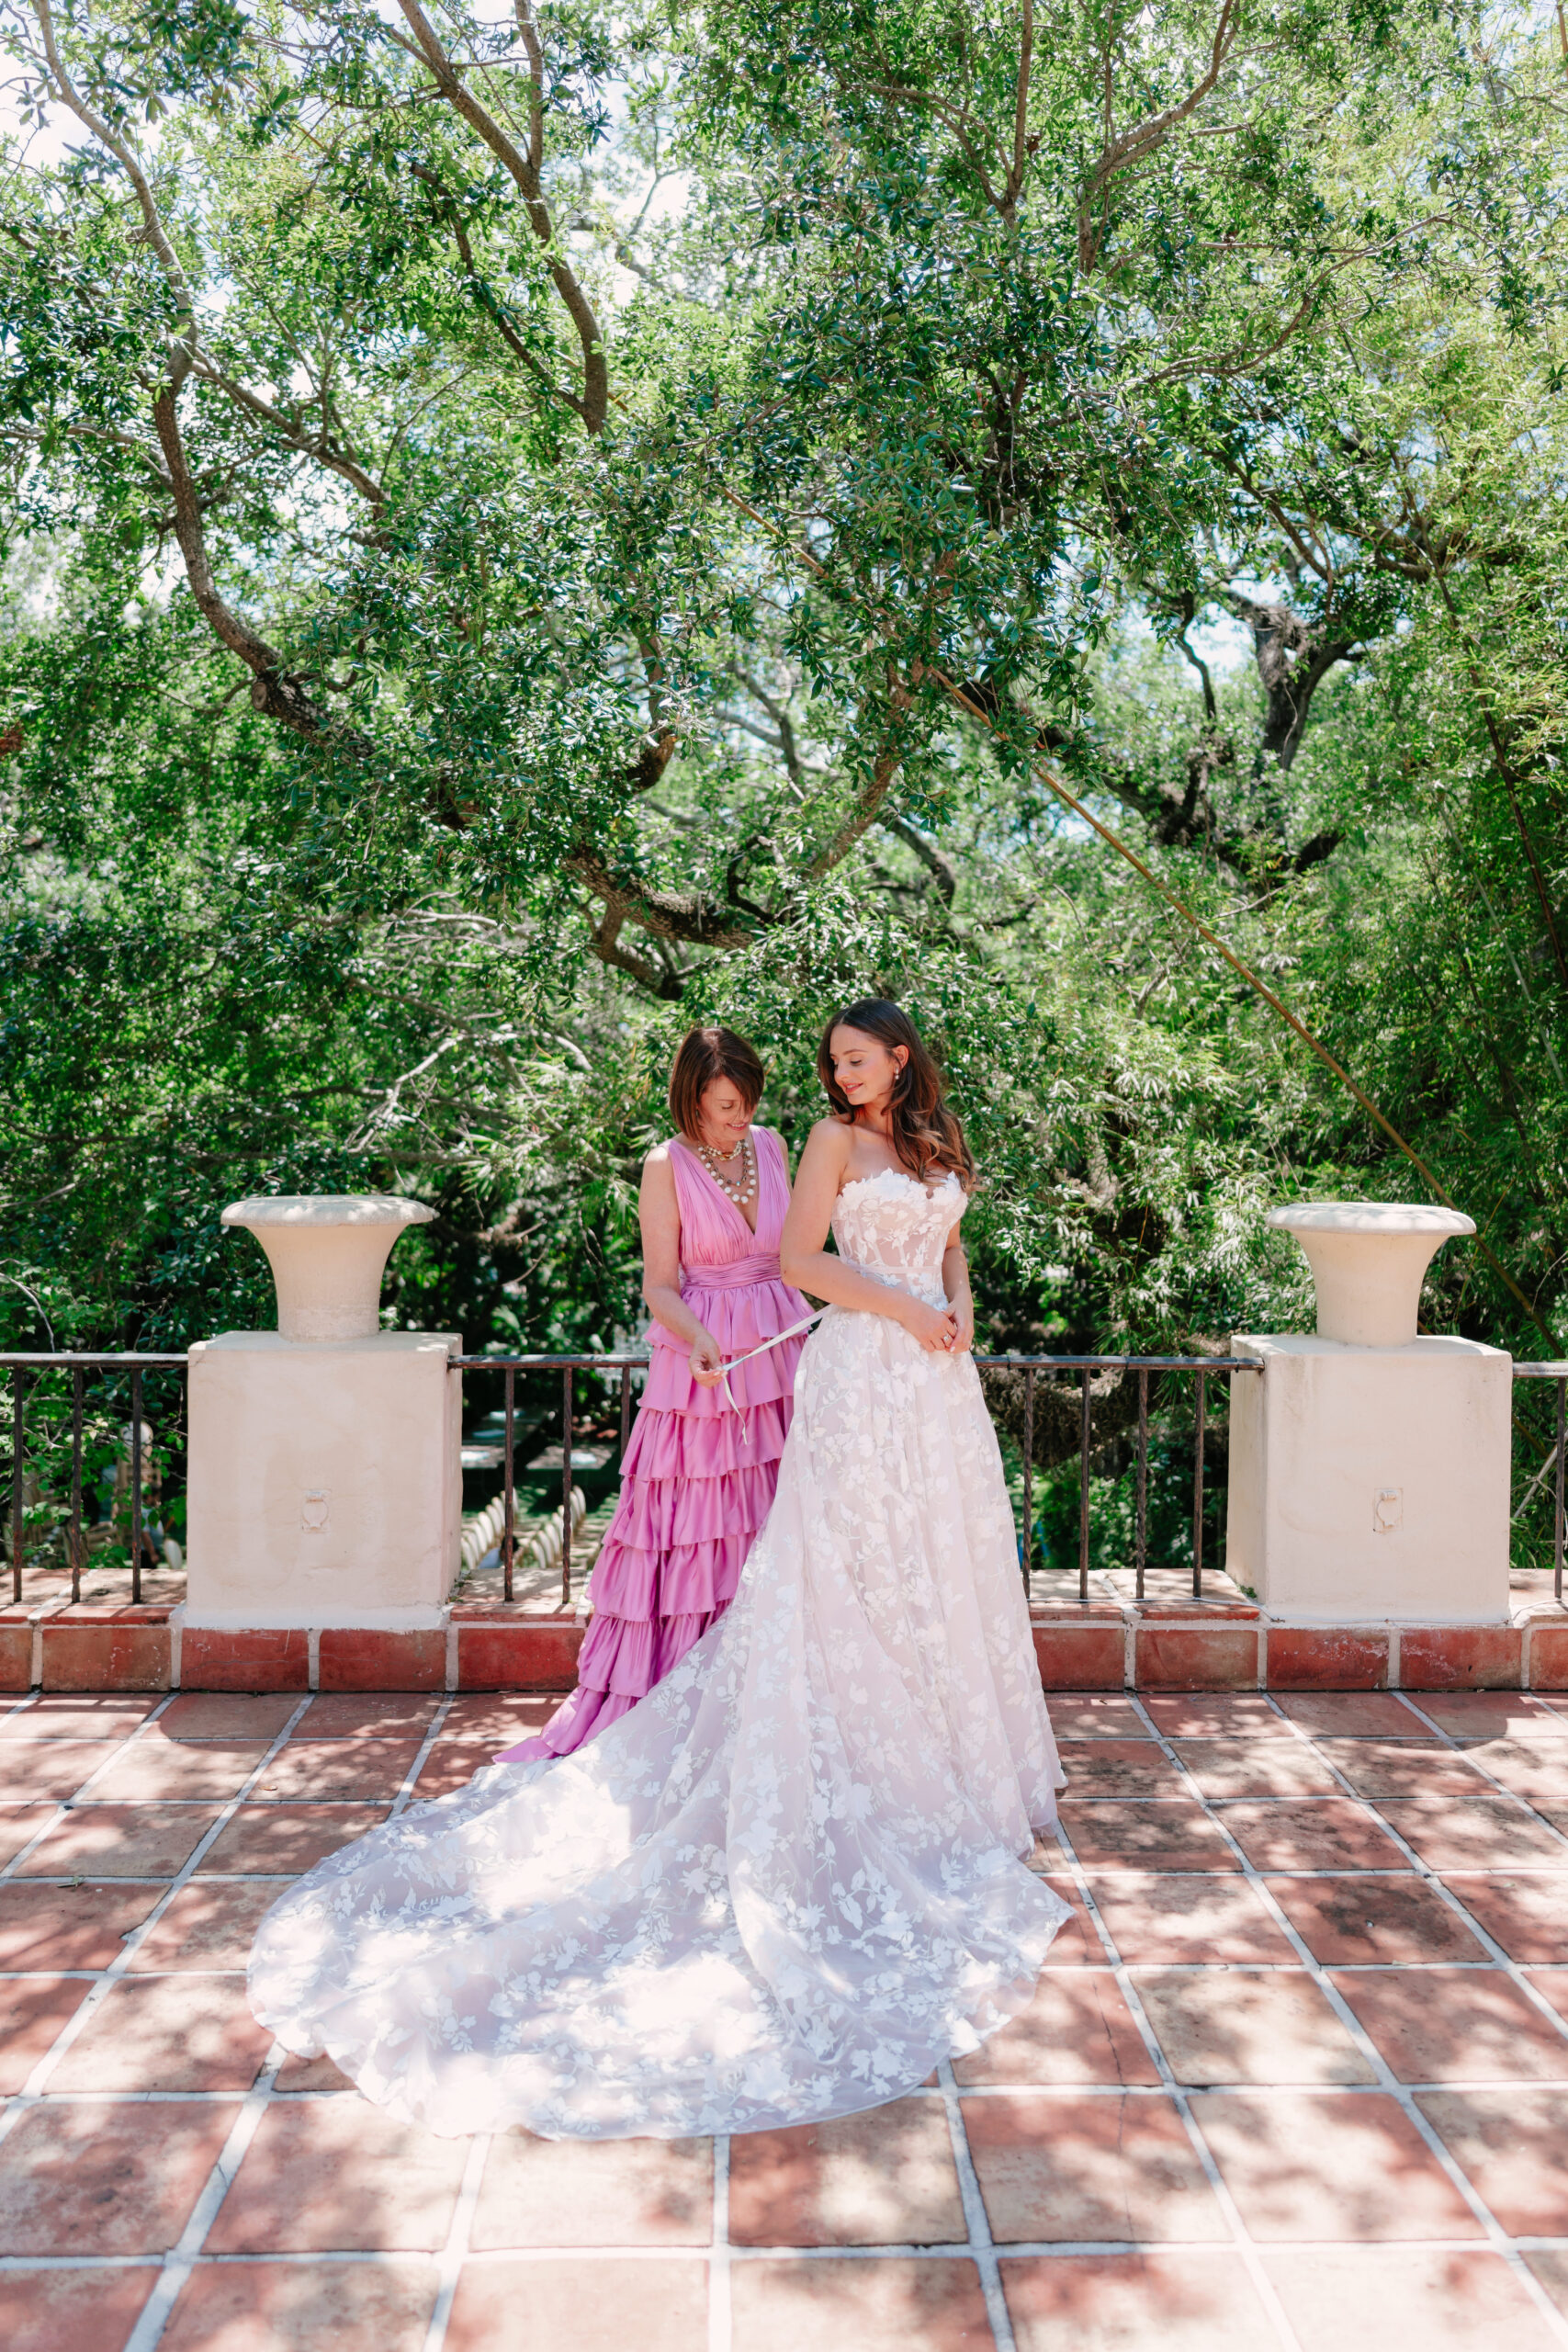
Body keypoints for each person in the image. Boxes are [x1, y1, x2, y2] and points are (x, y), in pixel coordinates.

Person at [248, 999, 1066, 2141]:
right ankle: (842, 1757)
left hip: (934, 1380)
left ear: (901, 1058)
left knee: (932, 1566)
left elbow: (950, 1239)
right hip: (851, 1365)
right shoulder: (817, 1142)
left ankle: (951, 1760)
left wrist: (959, 1307)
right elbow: (798, 1262)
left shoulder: (925, 1136)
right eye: (832, 1061)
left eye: (855, 1059)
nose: (840, 1075)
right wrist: (898, 1307)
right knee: (839, 1568)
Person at [496, 1026, 809, 1762]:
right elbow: (659, 1285)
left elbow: (795, 1258)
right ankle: (692, 1699)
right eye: (725, 1105)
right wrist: (697, 1337)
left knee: (780, 1516)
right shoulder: (664, 1164)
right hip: (701, 1368)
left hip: (778, 1356)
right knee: (703, 1526)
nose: (741, 1117)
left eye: (748, 1102)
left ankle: (775, 1697)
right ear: (691, 1098)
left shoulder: (772, 1147)